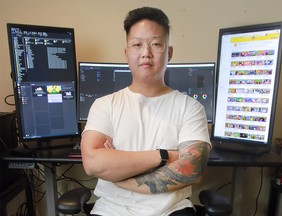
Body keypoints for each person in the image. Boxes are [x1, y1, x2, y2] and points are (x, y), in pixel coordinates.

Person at [81, 6, 211, 216]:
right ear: (126, 53)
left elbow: (193, 169)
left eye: (156, 44)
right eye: (137, 44)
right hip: (111, 210)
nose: (146, 53)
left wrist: (119, 175)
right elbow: (93, 163)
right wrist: (165, 155)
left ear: (168, 53)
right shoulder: (105, 105)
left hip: (171, 210)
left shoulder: (190, 108)